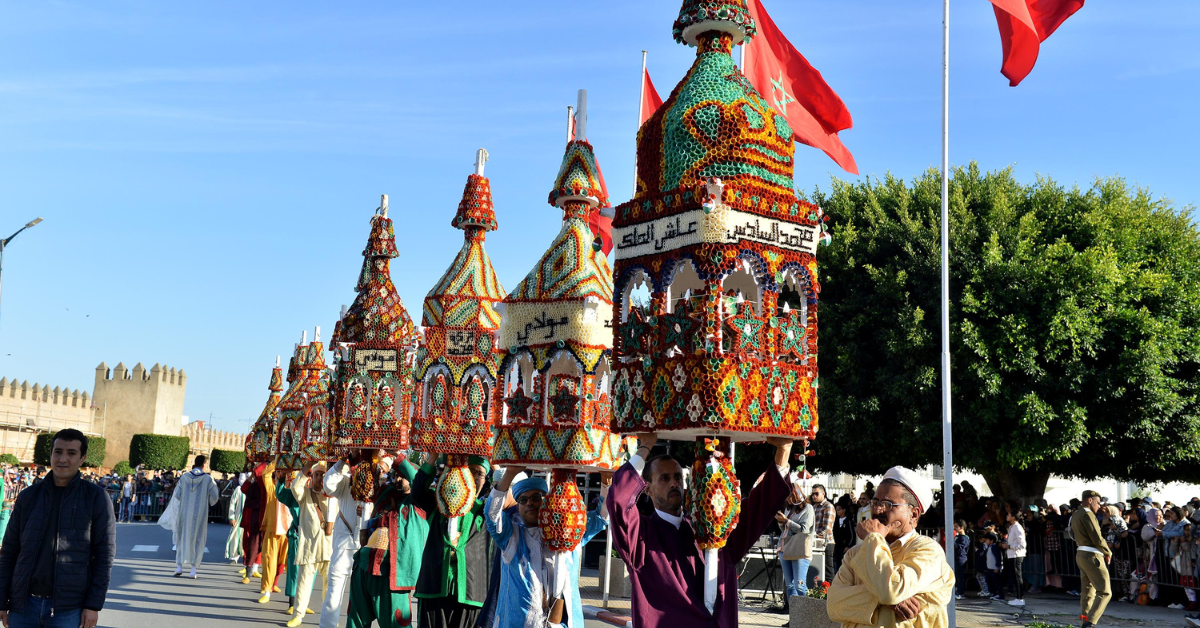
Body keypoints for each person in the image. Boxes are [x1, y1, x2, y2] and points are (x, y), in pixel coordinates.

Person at [608, 433, 793, 628]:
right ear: (647, 489)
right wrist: (645, 446)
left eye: (677, 477)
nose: (674, 483)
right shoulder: (640, 537)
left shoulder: (712, 528)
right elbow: (618, 500)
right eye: (664, 478)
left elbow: (757, 510)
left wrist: (783, 451)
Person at [0, 429, 116, 628]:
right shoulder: (28, 496)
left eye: (71, 453)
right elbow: (9, 550)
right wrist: (2, 600)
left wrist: (93, 605)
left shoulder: (96, 498)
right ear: (51, 454)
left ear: (82, 458)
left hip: (69, 609)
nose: (63, 459)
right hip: (23, 606)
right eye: (58, 452)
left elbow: (104, 555)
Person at [826, 466, 955, 628]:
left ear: (914, 514)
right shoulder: (856, 553)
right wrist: (884, 600)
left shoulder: (928, 551)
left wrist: (874, 538)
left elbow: (890, 590)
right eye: (875, 502)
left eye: (888, 504)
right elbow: (833, 605)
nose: (877, 509)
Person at [484, 467, 608, 628]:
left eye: (536, 497)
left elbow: (602, 516)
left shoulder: (569, 533)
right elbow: (492, 515)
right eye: (523, 500)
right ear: (518, 506)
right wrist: (510, 473)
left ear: (547, 501)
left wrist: (605, 482)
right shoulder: (511, 537)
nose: (529, 503)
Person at [413, 455, 495, 628]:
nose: (473, 477)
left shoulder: (486, 511)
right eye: (469, 470)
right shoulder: (437, 505)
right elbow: (418, 492)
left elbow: (504, 498)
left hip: (471, 593)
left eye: (480, 474)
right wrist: (432, 458)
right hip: (434, 588)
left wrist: (496, 466)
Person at [346, 456, 428, 628]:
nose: (398, 480)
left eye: (402, 476)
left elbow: (417, 480)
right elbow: (364, 481)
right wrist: (356, 456)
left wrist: (396, 456)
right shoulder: (385, 493)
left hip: (393, 573)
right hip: (365, 564)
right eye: (396, 475)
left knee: (396, 624)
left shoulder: (421, 501)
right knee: (355, 622)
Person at [319, 450, 374, 628]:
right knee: (334, 594)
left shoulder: (378, 481)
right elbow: (328, 485)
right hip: (344, 545)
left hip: (368, 547)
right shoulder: (345, 480)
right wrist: (341, 460)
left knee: (361, 599)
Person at [288, 461, 332, 626]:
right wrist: (308, 465)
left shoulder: (333, 496)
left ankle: (329, 618)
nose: (320, 478)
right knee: (304, 582)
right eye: (317, 475)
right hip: (309, 546)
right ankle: (298, 615)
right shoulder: (305, 494)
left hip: (329, 546)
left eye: (323, 475)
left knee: (330, 584)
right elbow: (295, 487)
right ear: (311, 478)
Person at [172, 454, 220, 578]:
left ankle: (179, 567)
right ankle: (193, 570)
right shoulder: (208, 479)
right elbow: (215, 496)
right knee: (198, 539)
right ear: (204, 465)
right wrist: (209, 500)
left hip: (184, 512)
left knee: (182, 538)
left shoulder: (184, 477)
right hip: (200, 514)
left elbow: (177, 494)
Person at [1072, 489, 1112, 628]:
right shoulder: (1088, 514)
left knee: (1088, 592)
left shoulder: (1076, 513)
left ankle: (1085, 620)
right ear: (1090, 500)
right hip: (1092, 555)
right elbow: (1097, 538)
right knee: (1105, 591)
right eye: (1097, 502)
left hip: (1081, 554)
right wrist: (1107, 552)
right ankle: (1090, 622)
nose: (1099, 506)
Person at [773, 482, 814, 615]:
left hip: (799, 550)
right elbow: (785, 530)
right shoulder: (788, 508)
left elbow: (804, 529)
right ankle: (794, 618)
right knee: (790, 586)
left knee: (799, 585)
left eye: (788, 495)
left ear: (795, 494)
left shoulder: (808, 508)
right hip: (785, 548)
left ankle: (807, 616)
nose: (786, 498)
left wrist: (786, 521)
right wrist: (781, 522)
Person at [259, 461, 293, 604]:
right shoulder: (271, 487)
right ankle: (267, 591)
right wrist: (278, 459)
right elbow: (265, 474)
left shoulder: (292, 488)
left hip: (289, 531)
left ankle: (280, 587)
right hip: (272, 529)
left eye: (284, 472)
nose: (281, 474)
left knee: (285, 562)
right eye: (279, 471)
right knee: (269, 559)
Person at [241, 462, 267, 583]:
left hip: (271, 519)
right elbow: (244, 489)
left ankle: (271, 581)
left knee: (267, 547)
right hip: (255, 518)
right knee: (252, 544)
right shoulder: (255, 485)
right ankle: (249, 572)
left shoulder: (273, 484)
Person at [997, 506, 1026, 607]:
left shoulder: (1017, 527)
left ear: (1013, 517)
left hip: (1016, 555)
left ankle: (1020, 598)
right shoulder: (1012, 527)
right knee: (1014, 576)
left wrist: (1009, 546)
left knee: (1017, 576)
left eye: (1009, 515)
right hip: (1012, 555)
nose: (1007, 516)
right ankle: (1018, 597)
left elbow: (1022, 544)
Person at [811, 484, 834, 576]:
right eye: (812, 494)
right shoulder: (813, 507)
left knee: (828, 571)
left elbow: (827, 528)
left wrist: (813, 536)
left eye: (816, 494)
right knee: (817, 570)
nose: (814, 496)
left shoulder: (828, 506)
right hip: (815, 542)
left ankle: (831, 586)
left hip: (826, 542)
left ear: (823, 493)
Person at [226, 471, 247, 564]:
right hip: (239, 518)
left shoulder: (254, 488)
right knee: (235, 537)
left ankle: (248, 559)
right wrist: (231, 517)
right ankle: (234, 557)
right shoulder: (238, 489)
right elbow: (232, 504)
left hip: (249, 518)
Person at [831, 504, 855, 578]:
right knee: (836, 564)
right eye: (836, 509)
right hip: (837, 546)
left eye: (839, 509)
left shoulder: (848, 520)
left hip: (845, 547)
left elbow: (852, 534)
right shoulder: (836, 520)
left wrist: (848, 545)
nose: (837, 511)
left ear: (844, 510)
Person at [952, 521, 969, 600]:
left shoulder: (964, 538)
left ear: (962, 527)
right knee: (956, 575)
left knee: (960, 576)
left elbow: (960, 548)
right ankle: (957, 590)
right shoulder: (958, 537)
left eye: (956, 526)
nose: (955, 528)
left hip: (960, 559)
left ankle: (961, 593)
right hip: (956, 558)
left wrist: (952, 542)